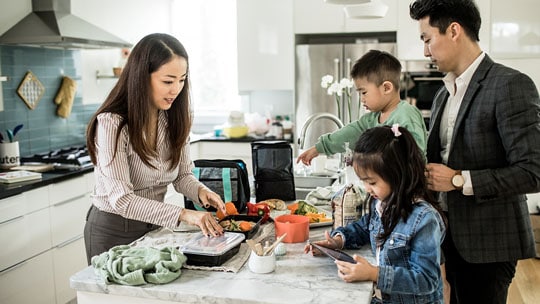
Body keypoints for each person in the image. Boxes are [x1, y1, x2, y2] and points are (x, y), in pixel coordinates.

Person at [409, 1, 540, 303]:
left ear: (454, 30)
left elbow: (532, 172)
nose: (426, 51)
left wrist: (458, 179)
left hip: (488, 246)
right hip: (446, 239)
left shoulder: (510, 85)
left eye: (427, 39)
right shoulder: (444, 93)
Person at [84, 33, 227, 264]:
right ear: (142, 77)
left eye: (182, 80)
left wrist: (201, 192)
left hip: (155, 226)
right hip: (112, 231)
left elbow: (182, 176)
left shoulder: (174, 119)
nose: (176, 89)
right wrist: (183, 214)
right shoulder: (112, 123)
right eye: (168, 81)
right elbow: (122, 200)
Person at [306, 125, 446, 304]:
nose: (366, 188)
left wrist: (374, 273)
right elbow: (365, 227)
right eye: (363, 181)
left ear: (398, 175)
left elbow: (426, 280)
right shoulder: (381, 202)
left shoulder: (425, 219)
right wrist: (338, 241)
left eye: (371, 182)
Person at [296, 50, 427, 166]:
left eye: (364, 92)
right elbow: (347, 135)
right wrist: (318, 148)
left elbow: (417, 157)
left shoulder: (406, 114)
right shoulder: (371, 120)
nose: (361, 99)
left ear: (386, 88)